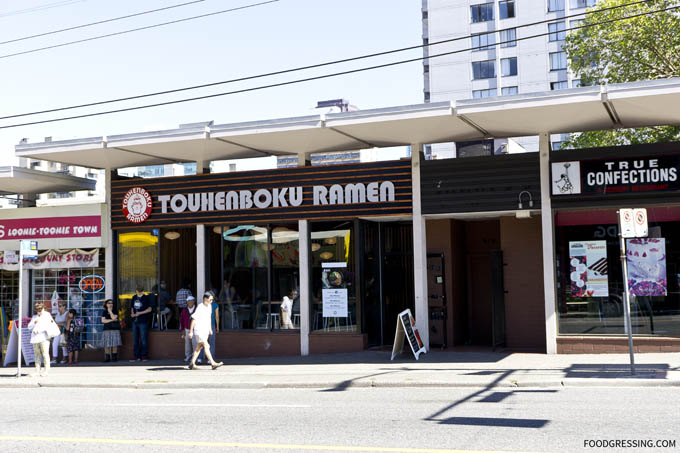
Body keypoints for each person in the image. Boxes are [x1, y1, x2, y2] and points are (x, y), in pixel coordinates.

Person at [187, 293, 223, 370]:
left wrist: (210, 329)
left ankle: (192, 363)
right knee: (207, 346)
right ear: (205, 299)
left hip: (205, 331)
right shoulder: (200, 307)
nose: (212, 301)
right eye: (210, 299)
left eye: (212, 299)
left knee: (198, 348)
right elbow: (193, 319)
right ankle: (213, 363)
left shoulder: (209, 306)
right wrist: (191, 331)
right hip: (199, 330)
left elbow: (209, 318)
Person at [28, 302, 54, 377]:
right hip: (35, 338)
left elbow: (49, 325)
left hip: (44, 338)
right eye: (37, 310)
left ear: (43, 308)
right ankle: (37, 371)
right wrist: (34, 323)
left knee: (45, 354)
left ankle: (46, 371)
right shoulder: (34, 317)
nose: (39, 312)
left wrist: (39, 330)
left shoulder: (47, 315)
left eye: (40, 310)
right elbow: (29, 327)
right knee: (37, 355)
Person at [130, 285, 152, 362]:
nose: (138, 291)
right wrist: (132, 313)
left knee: (143, 339)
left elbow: (149, 309)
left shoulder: (146, 298)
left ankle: (144, 356)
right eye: (137, 290)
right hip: (135, 321)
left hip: (143, 321)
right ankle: (136, 356)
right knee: (135, 340)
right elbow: (132, 307)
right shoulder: (134, 297)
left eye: (140, 290)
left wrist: (140, 313)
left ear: (142, 290)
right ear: (135, 290)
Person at [179, 295, 197, 362]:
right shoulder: (184, 310)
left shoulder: (197, 309)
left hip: (195, 329)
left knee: (195, 343)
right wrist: (182, 329)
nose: (190, 302)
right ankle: (188, 356)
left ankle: (195, 357)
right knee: (187, 344)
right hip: (187, 329)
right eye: (188, 301)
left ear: (194, 301)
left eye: (191, 301)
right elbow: (182, 320)